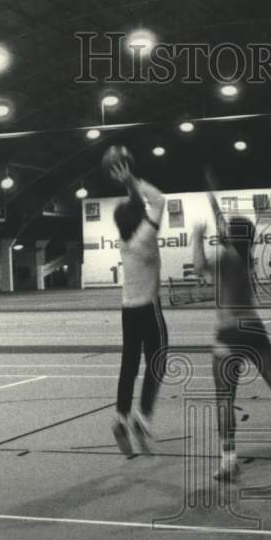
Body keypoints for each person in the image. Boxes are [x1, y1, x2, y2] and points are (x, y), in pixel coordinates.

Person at [192, 175, 271, 481]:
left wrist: (196, 236)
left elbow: (198, 267)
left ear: (229, 236)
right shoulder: (244, 257)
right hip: (254, 328)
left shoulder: (225, 257)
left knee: (225, 397)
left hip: (229, 331)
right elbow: (229, 233)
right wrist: (223, 227)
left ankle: (228, 459)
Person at [109, 157, 168, 457]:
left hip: (127, 309)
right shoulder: (147, 236)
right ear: (141, 216)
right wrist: (132, 179)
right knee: (157, 361)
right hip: (149, 308)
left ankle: (121, 416)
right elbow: (158, 200)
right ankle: (142, 418)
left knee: (129, 365)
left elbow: (140, 207)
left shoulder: (125, 238)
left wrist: (128, 185)